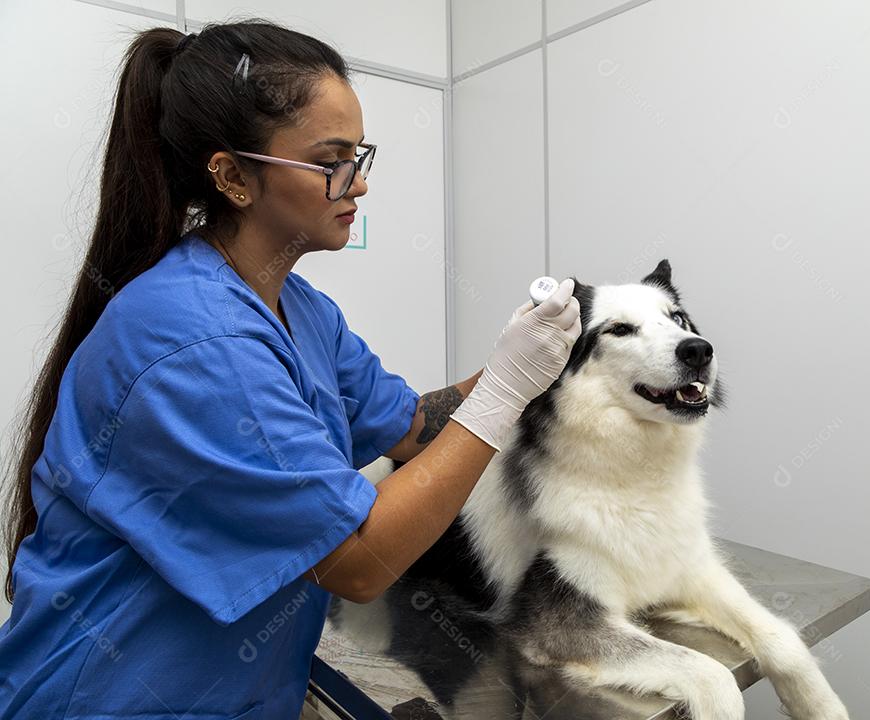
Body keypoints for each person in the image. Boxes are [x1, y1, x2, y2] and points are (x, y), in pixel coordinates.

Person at [0, 19, 581, 720]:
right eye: (332, 159)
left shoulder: (300, 308)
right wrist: (508, 390)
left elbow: (409, 429)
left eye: (360, 154)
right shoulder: (194, 340)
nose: (359, 183)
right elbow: (360, 561)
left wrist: (530, 362)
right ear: (235, 176)